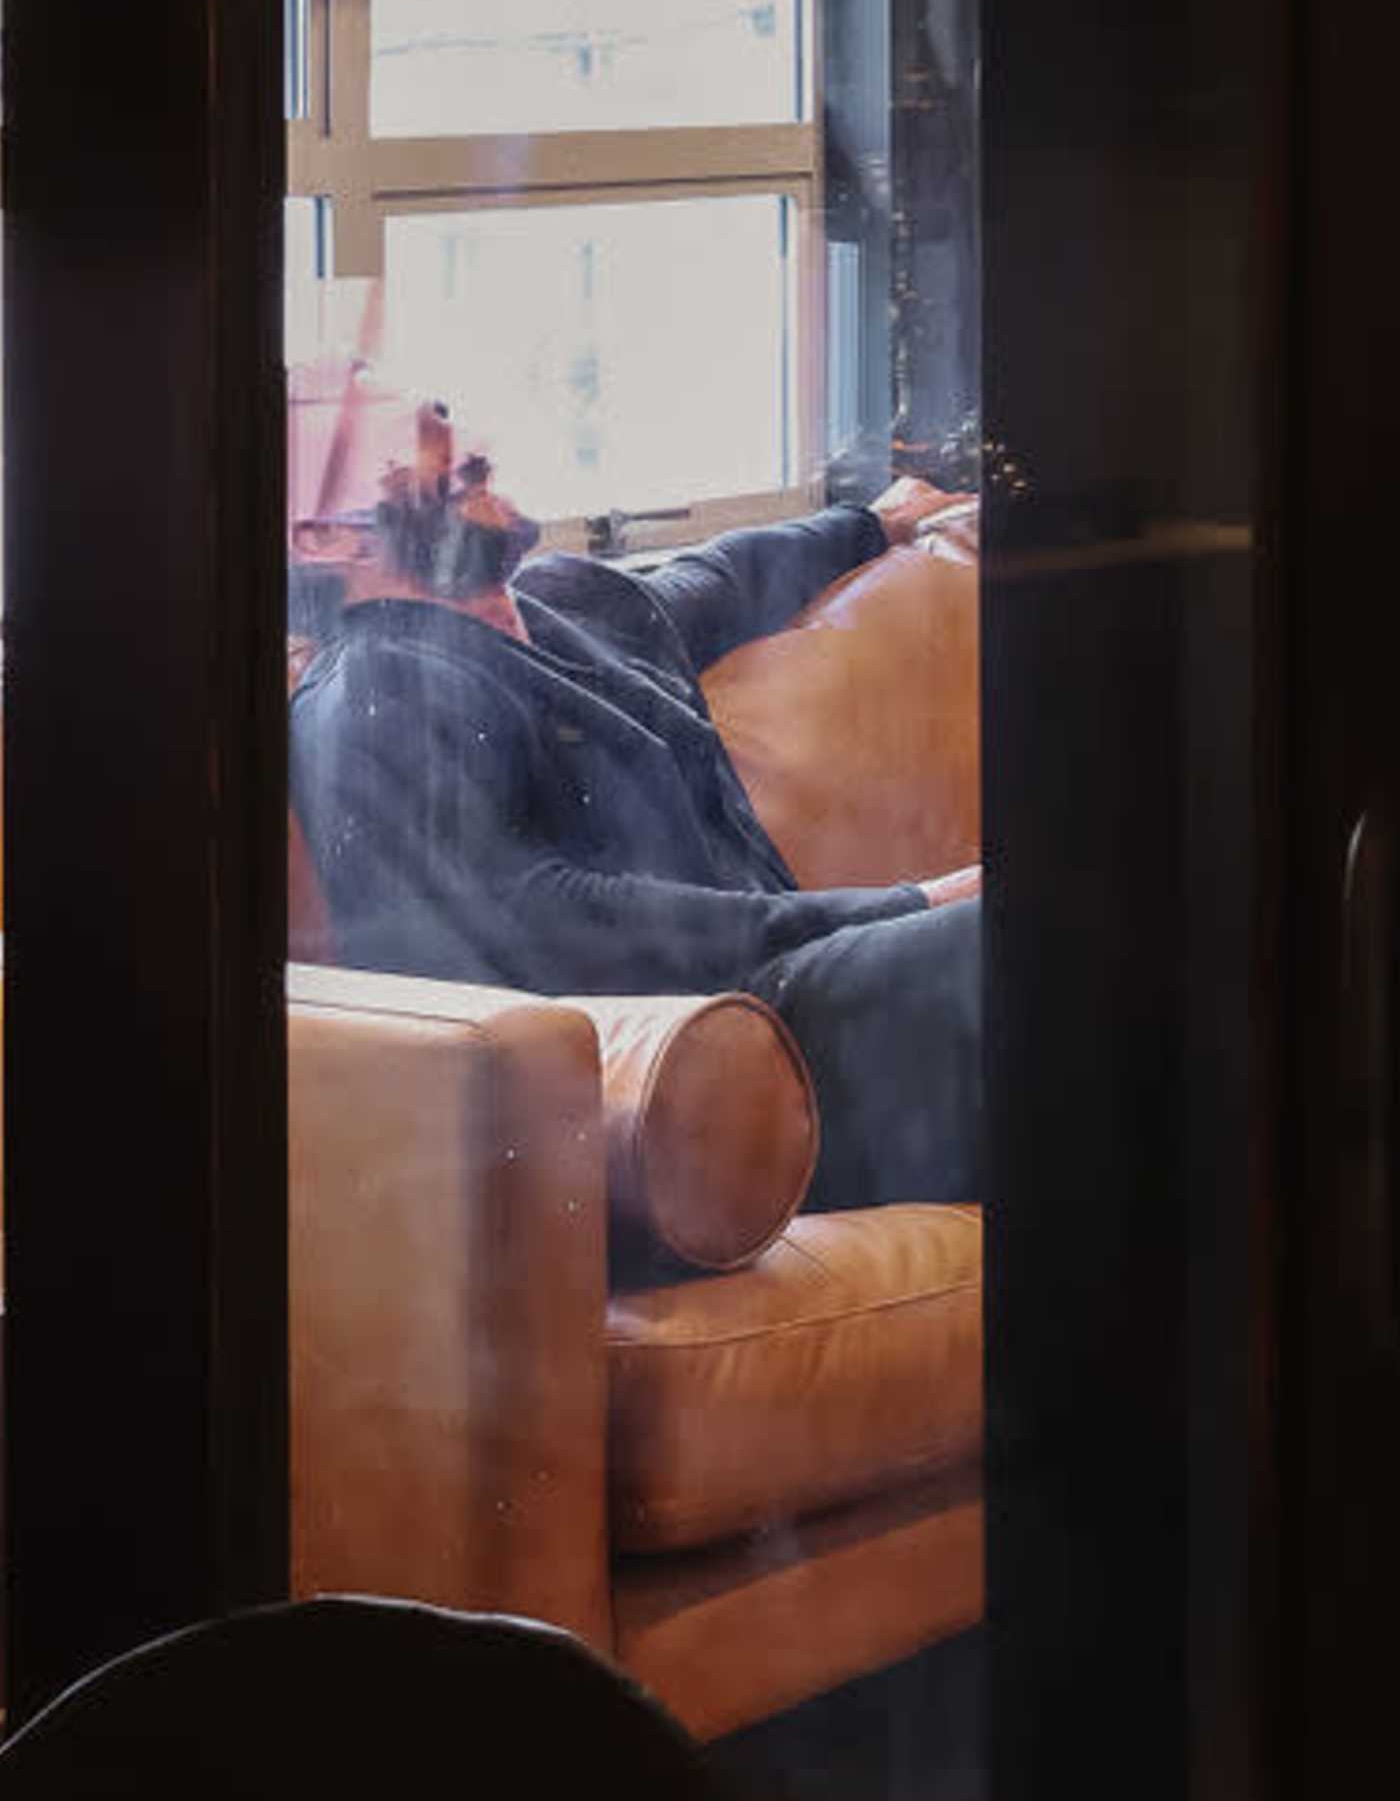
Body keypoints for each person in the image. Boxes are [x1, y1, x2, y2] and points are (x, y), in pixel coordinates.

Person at [287, 388, 982, 1214]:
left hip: (803, 1000)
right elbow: (544, 918)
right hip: (708, 1059)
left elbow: (718, 578)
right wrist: (905, 905)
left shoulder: (571, 605)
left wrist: (872, 523)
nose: (440, 423)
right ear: (325, 536)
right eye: (395, 432)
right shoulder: (377, 683)